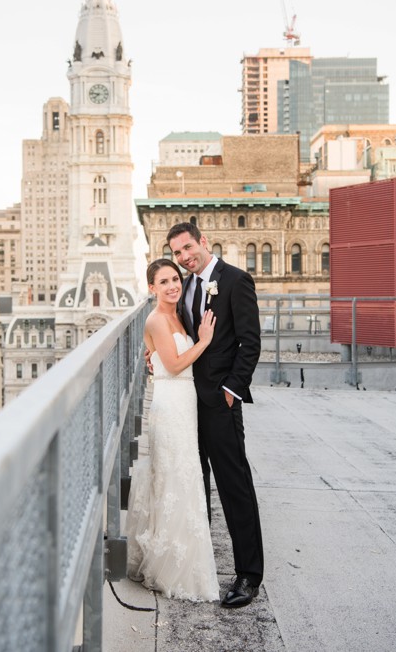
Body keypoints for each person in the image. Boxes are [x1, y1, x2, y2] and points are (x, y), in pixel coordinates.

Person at [167, 222, 264, 608]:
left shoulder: (235, 280)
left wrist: (231, 391)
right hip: (189, 400)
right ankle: (202, 564)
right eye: (177, 253)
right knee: (196, 482)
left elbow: (250, 343)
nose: (185, 257)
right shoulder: (186, 286)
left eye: (189, 248)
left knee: (234, 485)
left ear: (203, 241)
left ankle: (249, 575)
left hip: (220, 402)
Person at [126, 258, 219, 601]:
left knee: (183, 476)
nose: (172, 286)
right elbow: (177, 364)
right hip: (169, 405)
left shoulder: (177, 314)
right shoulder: (155, 317)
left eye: (175, 279)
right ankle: (169, 565)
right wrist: (205, 340)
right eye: (163, 281)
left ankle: (178, 555)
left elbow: (164, 358)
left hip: (184, 402)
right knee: (174, 476)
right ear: (151, 288)